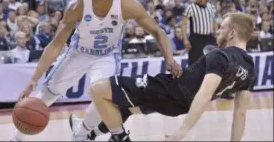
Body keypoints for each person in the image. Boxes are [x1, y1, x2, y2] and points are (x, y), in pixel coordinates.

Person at [10, 0, 182, 141]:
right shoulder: (78, 5)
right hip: (79, 52)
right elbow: (56, 44)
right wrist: (34, 79)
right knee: (46, 97)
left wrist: (170, 59)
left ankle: (81, 135)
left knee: (105, 97)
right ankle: (18, 138)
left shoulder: (127, 3)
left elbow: (158, 31)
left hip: (108, 55)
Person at [87, 13, 256, 141]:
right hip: (179, 106)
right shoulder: (250, 69)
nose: (217, 32)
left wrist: (182, 131)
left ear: (232, 33)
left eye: (222, 28)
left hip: (168, 91)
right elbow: (240, 114)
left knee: (98, 88)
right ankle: (88, 134)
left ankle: (119, 138)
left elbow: (204, 94)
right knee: (126, 108)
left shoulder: (220, 55)